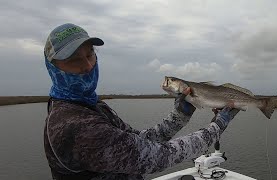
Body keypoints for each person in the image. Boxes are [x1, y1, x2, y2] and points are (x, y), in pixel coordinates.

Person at [43, 23, 239, 180]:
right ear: (52, 68)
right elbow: (159, 156)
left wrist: (180, 115)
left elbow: (139, 140)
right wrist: (218, 125)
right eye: (74, 60)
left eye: (90, 55)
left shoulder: (90, 105)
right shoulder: (73, 126)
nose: (87, 66)